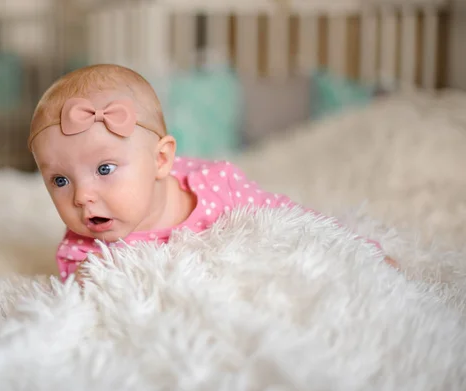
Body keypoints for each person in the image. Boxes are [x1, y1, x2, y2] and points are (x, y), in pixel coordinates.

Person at [27, 64, 397, 284]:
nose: (81, 196)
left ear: (160, 160)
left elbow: (296, 220)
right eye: (60, 180)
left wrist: (362, 251)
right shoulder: (85, 245)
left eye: (104, 169)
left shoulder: (219, 189)